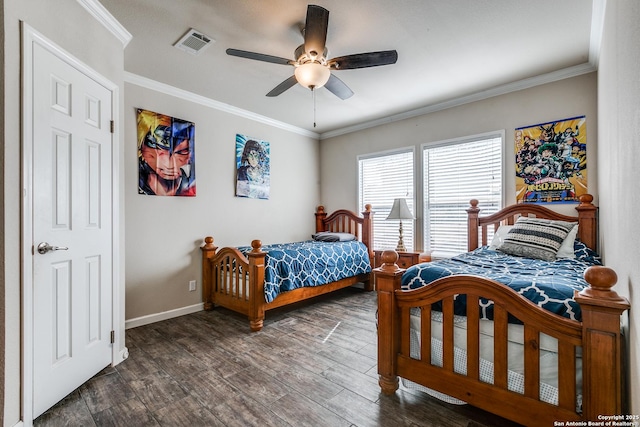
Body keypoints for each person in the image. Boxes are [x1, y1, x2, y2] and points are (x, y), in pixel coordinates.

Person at [137, 110, 196, 196]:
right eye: (159, 149)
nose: (171, 162)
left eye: (182, 151)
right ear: (142, 147)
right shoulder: (134, 182)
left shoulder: (189, 185)